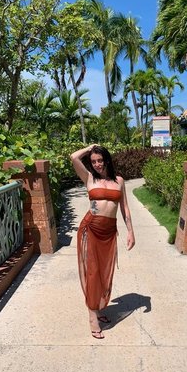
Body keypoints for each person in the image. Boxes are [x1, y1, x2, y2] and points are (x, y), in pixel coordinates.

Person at [71, 144, 135, 339]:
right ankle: (93, 317)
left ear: (107, 160)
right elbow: (73, 157)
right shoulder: (89, 178)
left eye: (100, 160)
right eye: (93, 161)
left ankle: (97, 308)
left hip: (108, 232)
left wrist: (131, 231)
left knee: (103, 272)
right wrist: (91, 147)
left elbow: (124, 208)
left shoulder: (119, 181)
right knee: (92, 272)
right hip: (90, 228)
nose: (97, 164)